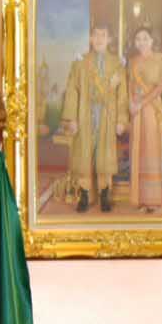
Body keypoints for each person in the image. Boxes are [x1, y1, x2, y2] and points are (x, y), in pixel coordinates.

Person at [57, 20, 126, 213]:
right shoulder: (80, 63)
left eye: (103, 35)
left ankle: (105, 194)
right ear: (90, 38)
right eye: (95, 35)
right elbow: (72, 91)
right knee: (84, 154)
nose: (99, 39)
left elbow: (122, 95)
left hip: (107, 115)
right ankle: (85, 195)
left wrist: (121, 120)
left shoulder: (117, 64)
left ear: (109, 39)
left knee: (105, 155)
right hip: (85, 114)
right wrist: (72, 118)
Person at [124, 27, 162, 213]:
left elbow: (161, 87)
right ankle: (140, 199)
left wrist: (141, 103)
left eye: (145, 38)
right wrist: (131, 103)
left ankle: (153, 200)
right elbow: (130, 85)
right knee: (138, 151)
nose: (142, 42)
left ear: (152, 41)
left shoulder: (161, 59)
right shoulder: (132, 61)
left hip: (152, 109)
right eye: (138, 39)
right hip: (136, 111)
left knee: (152, 150)